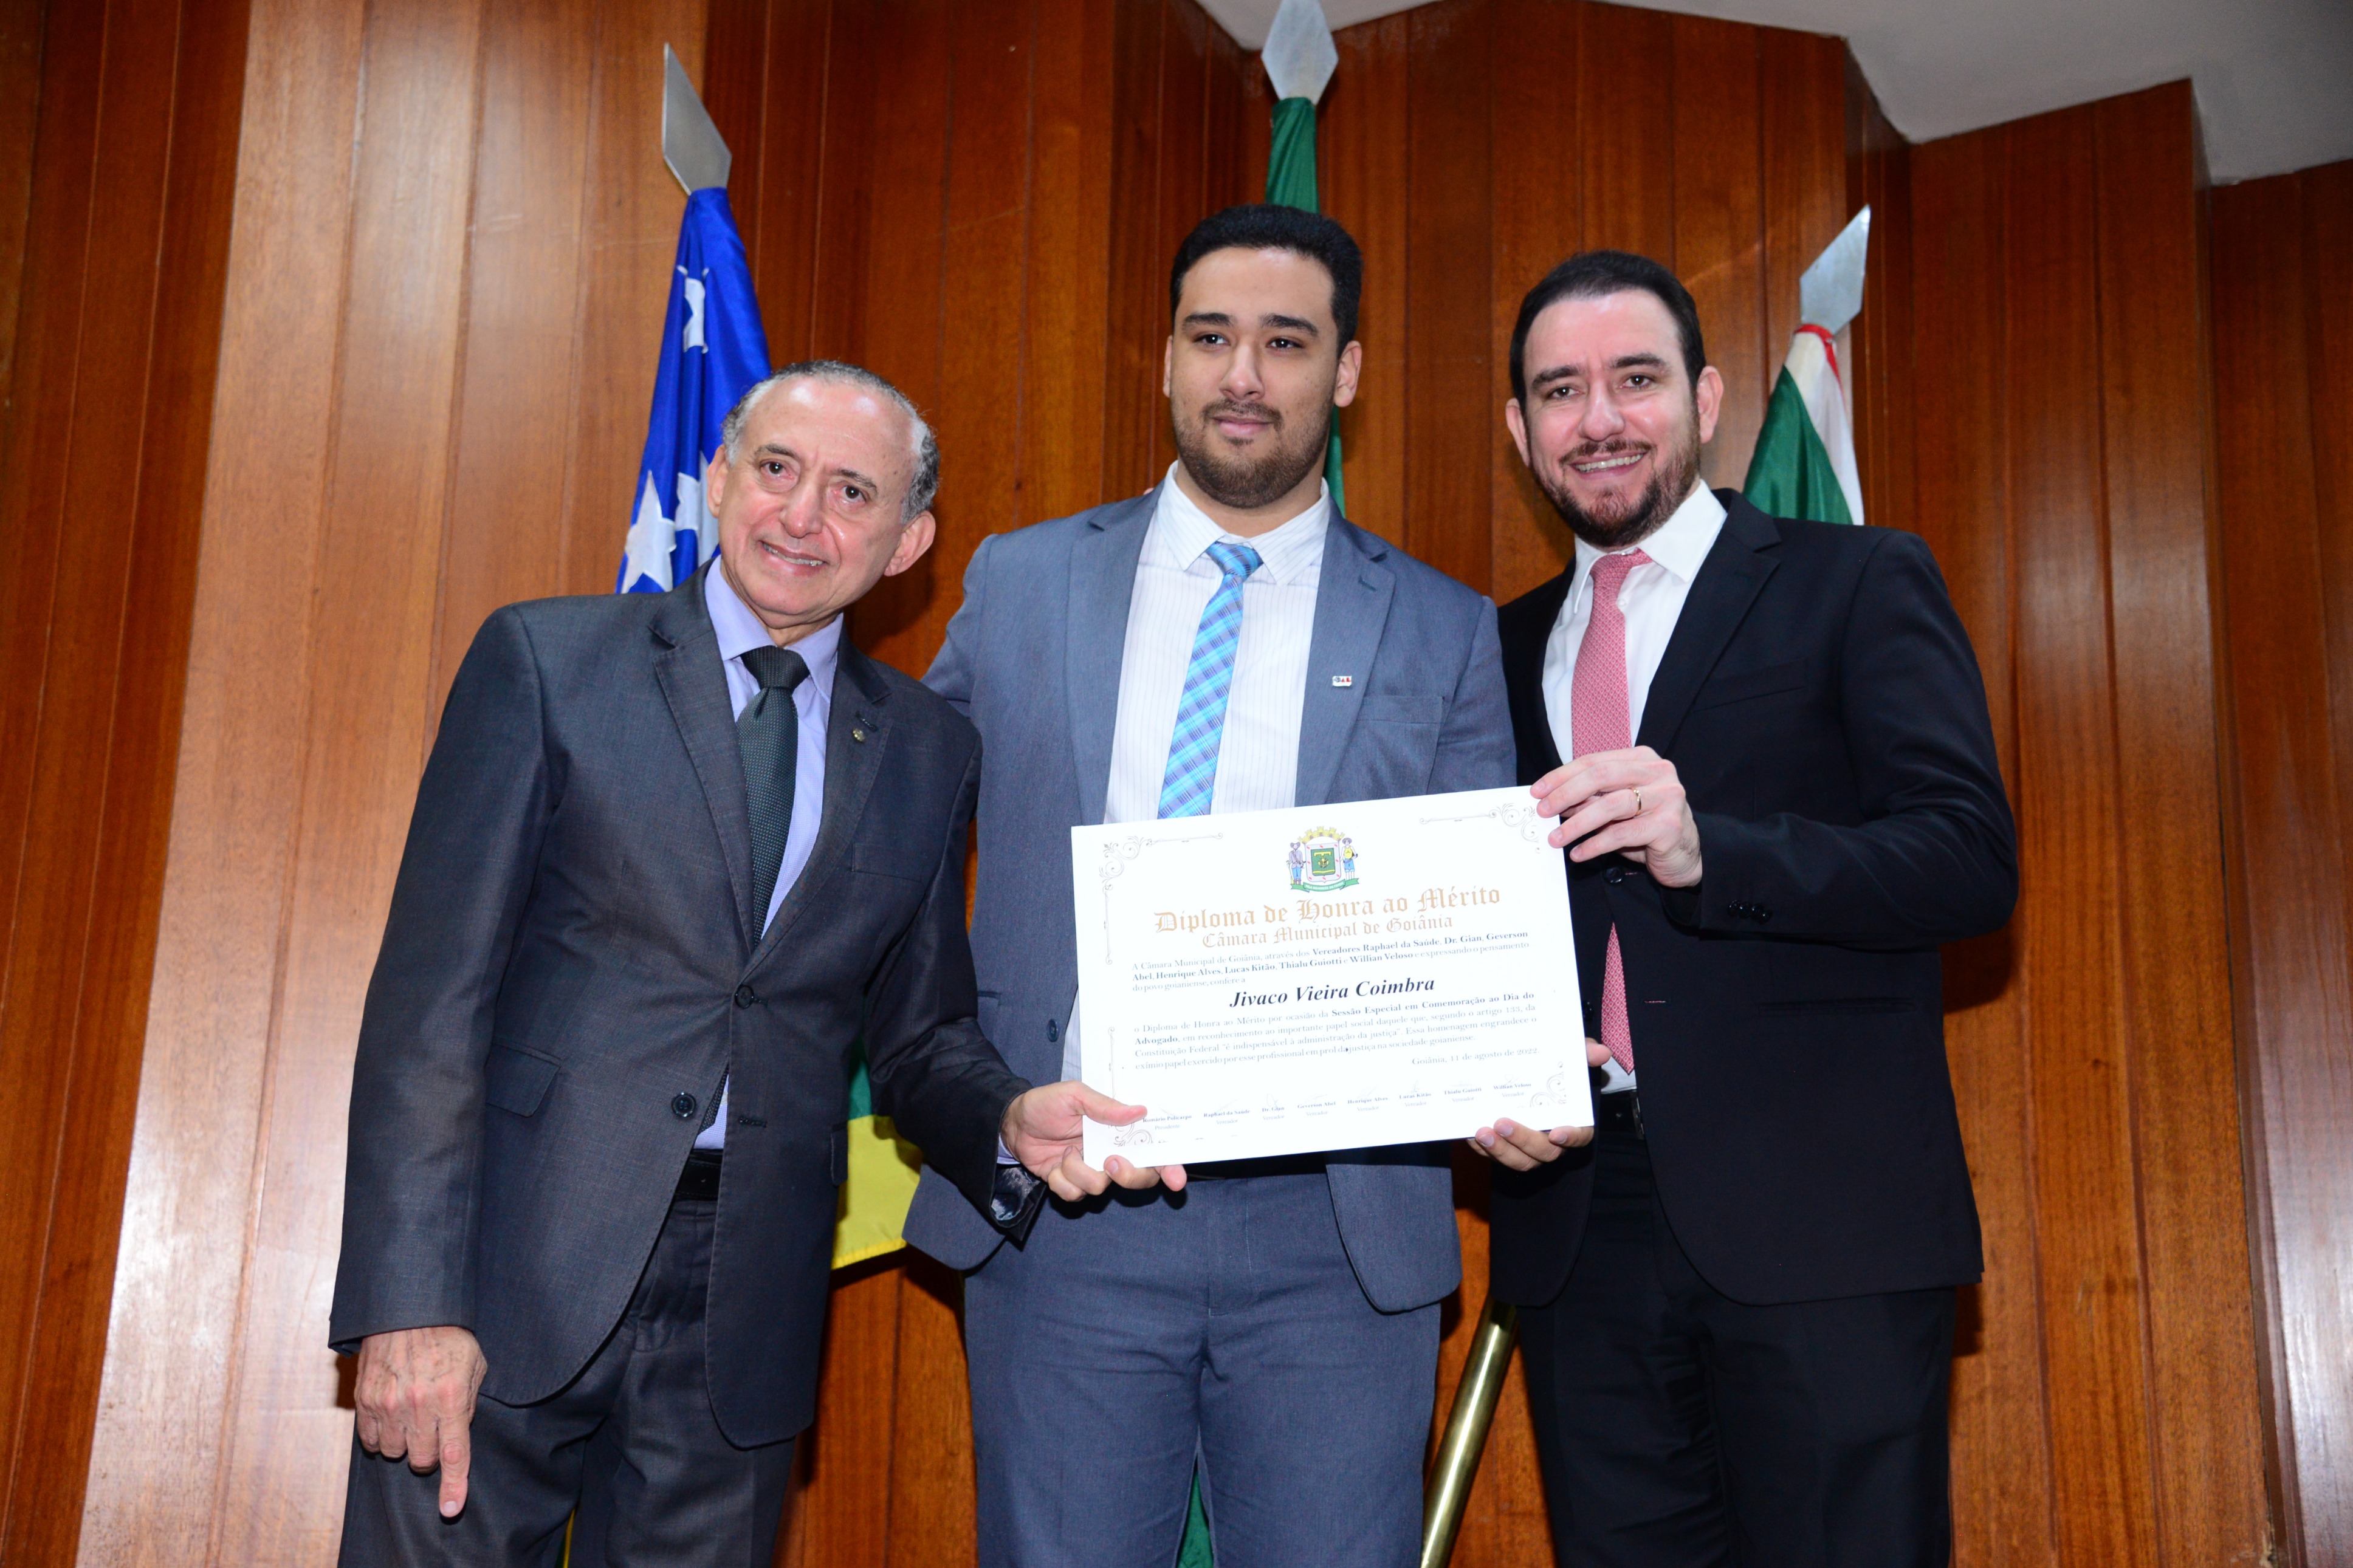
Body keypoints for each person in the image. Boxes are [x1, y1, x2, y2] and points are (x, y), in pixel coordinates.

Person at [328, 362, 1159, 1565]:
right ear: (718, 479)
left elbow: (918, 1036)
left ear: (908, 541)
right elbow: (429, 1004)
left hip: (745, 1310)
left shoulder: (928, 751)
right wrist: (410, 1298)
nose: (802, 515)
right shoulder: (548, 662)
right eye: (776, 469)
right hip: (503, 1276)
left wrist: (1005, 1115)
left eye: (852, 492)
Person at [901, 205, 1579, 1567]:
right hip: (1068, 1200)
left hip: (1334, 1236)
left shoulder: (1445, 627)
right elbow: (897, 846)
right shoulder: (1019, 580)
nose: (1242, 376)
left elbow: (1478, 915)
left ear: (1346, 370)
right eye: (1211, 337)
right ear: (1167, 358)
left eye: (1286, 341)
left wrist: (1513, 1062)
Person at [1486, 250, 2017, 1566]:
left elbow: (1966, 859)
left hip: (1820, 1212)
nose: (1599, 418)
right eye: (1560, 390)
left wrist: (1709, 851)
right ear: (1519, 430)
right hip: (1575, 1227)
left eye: (1636, 379)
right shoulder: (1481, 650)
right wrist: (1465, 1073)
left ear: (1707, 398)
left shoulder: (1857, 579)